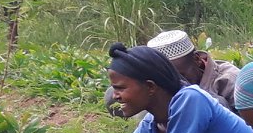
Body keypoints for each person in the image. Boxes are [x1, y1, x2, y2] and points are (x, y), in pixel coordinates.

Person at [104, 42, 253, 133]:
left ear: (150, 87)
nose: (114, 96)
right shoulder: (149, 126)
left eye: (120, 88)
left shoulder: (191, 99)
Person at [102, 29, 239, 116]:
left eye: (180, 76)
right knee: (112, 96)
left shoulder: (230, 80)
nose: (173, 81)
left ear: (197, 59)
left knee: (213, 102)